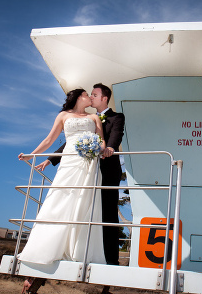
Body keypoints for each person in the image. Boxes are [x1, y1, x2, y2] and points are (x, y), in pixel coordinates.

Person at [38, 83, 125, 266]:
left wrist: (110, 147)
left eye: (94, 94)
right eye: (90, 94)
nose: (91, 97)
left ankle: (110, 260)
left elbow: (116, 135)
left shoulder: (116, 117)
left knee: (108, 214)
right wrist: (51, 159)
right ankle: (75, 249)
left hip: (107, 170)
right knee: (80, 209)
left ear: (104, 98)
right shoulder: (87, 117)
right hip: (85, 170)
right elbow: (73, 141)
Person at [18, 88, 107, 264]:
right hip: (69, 161)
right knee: (61, 196)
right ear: (78, 97)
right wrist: (32, 154)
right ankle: (48, 246)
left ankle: (78, 249)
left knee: (84, 199)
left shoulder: (94, 117)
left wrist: (100, 148)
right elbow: (49, 140)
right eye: (86, 95)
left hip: (89, 162)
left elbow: (101, 140)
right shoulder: (63, 116)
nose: (89, 97)